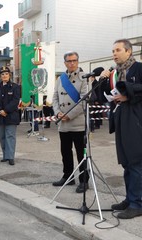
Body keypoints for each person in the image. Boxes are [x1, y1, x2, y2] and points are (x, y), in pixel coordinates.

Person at [100, 39, 142, 219]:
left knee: (136, 162)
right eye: (112, 50)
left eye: (118, 50)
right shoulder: (114, 73)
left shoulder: (139, 68)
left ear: (129, 51)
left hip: (136, 121)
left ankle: (137, 203)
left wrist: (128, 93)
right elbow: (102, 96)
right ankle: (129, 198)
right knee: (126, 162)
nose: (114, 54)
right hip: (120, 119)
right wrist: (102, 80)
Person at [52, 51, 89, 193]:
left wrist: (69, 114)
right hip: (63, 123)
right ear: (65, 63)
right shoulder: (60, 79)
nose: (72, 63)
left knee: (81, 153)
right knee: (65, 152)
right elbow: (55, 98)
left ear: (78, 61)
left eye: (74, 60)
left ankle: (84, 180)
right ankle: (68, 176)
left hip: (77, 122)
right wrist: (57, 113)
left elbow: (84, 100)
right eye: (69, 61)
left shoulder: (84, 78)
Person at [0, 66, 20, 166]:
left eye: (6, 74)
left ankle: (10, 157)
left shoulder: (15, 87)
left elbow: (15, 101)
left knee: (10, 136)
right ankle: (5, 155)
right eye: (2, 74)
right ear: (0, 76)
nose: (4, 76)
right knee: (2, 137)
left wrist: (6, 110)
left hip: (11, 115)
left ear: (9, 75)